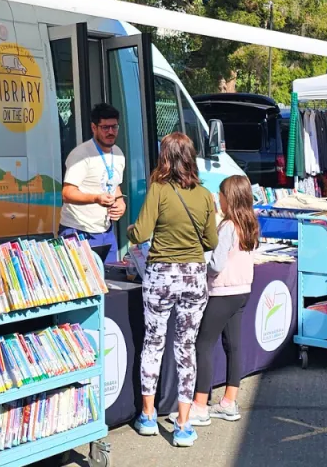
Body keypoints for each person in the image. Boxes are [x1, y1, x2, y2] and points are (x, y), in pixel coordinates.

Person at [127, 132, 218, 447]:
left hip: (160, 277)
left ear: (164, 158)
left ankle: (149, 416)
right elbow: (211, 242)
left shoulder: (158, 190)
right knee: (186, 348)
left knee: (153, 344)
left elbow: (140, 233)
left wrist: (129, 229)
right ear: (191, 157)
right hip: (194, 276)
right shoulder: (205, 195)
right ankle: (182, 423)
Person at [183, 174, 259, 426]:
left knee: (203, 344)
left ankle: (200, 405)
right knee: (233, 345)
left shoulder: (227, 226)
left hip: (222, 292)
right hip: (242, 291)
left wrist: (200, 262)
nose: (218, 198)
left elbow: (216, 264)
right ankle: (229, 401)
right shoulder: (249, 223)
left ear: (230, 198)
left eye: (221, 194)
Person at [60, 103, 127, 260]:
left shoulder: (118, 154)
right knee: (84, 282)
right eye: (105, 128)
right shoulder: (81, 154)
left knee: (110, 280)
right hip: (78, 230)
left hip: (105, 230)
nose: (111, 132)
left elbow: (115, 184)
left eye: (114, 127)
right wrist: (96, 198)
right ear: (94, 127)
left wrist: (120, 202)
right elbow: (67, 193)